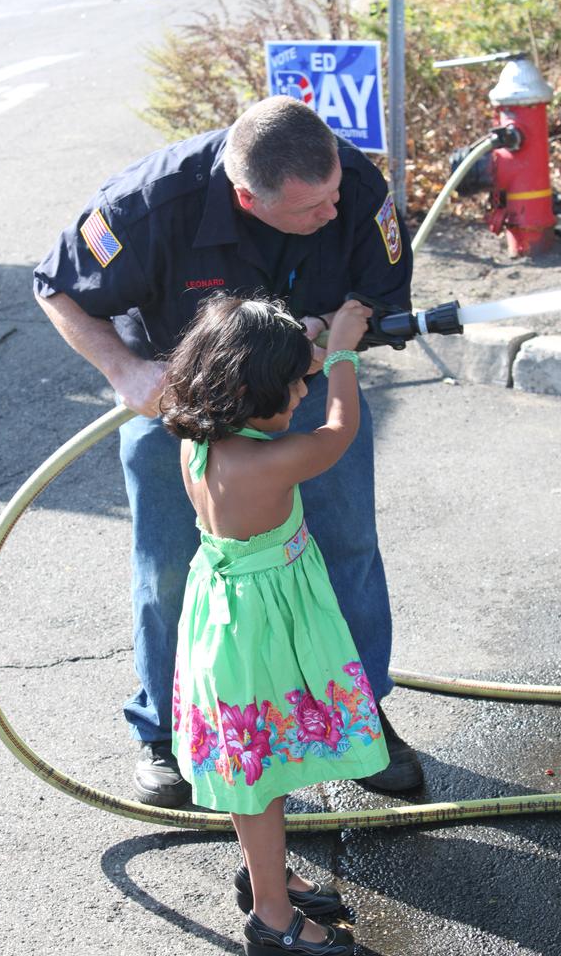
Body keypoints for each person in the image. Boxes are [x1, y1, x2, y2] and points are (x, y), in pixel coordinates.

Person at [33, 94, 422, 808]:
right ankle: (164, 731)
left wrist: (341, 327)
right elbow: (57, 287)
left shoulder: (353, 186)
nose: (331, 214)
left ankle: (357, 718)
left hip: (302, 395)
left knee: (346, 550)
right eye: (311, 209)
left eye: (334, 194)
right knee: (171, 569)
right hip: (183, 406)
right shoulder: (150, 203)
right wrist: (126, 371)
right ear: (246, 196)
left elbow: (377, 293)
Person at [162, 292, 387, 956]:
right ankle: (269, 915)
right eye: (290, 386)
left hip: (227, 620)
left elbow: (277, 389)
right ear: (246, 388)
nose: (301, 393)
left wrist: (302, 348)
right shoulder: (269, 460)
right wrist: (343, 348)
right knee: (258, 776)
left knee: (253, 763)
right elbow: (339, 430)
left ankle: (268, 875)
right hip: (261, 627)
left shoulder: (205, 442)